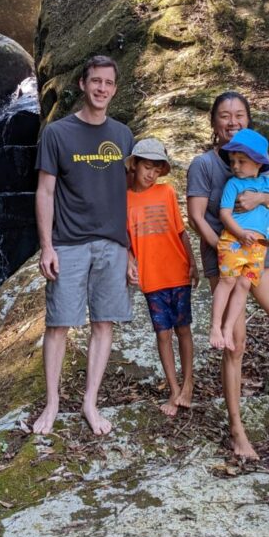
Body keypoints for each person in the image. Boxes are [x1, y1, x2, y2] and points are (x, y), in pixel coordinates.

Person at [187, 92, 269, 460]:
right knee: (235, 343)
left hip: (261, 255)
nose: (232, 121)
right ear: (214, 123)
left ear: (248, 119)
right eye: (224, 116)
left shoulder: (261, 159)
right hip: (226, 258)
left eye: (239, 114)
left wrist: (260, 201)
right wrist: (226, 249)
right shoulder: (205, 165)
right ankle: (237, 428)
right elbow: (197, 217)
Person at [33, 55, 134, 436]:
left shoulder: (123, 136)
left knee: (103, 323)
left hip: (112, 244)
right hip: (69, 243)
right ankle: (53, 403)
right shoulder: (57, 134)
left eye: (108, 83)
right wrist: (47, 246)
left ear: (115, 89)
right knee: (59, 324)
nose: (102, 89)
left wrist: (131, 252)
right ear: (82, 85)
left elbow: (131, 196)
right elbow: (45, 191)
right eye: (95, 81)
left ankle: (91, 403)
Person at [126, 138, 199, 417]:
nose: (151, 175)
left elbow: (181, 231)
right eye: (147, 167)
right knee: (163, 334)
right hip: (151, 277)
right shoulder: (125, 199)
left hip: (177, 271)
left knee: (183, 329)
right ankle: (173, 388)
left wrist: (192, 264)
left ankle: (188, 383)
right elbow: (125, 240)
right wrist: (130, 262)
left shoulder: (167, 192)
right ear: (134, 164)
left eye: (156, 170)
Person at [209, 128, 269, 352]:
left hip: (258, 247)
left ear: (259, 163)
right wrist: (239, 233)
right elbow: (225, 214)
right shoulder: (233, 184)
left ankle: (229, 327)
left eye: (242, 161)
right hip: (234, 240)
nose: (236, 166)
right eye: (233, 161)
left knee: (244, 284)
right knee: (228, 280)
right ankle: (215, 327)